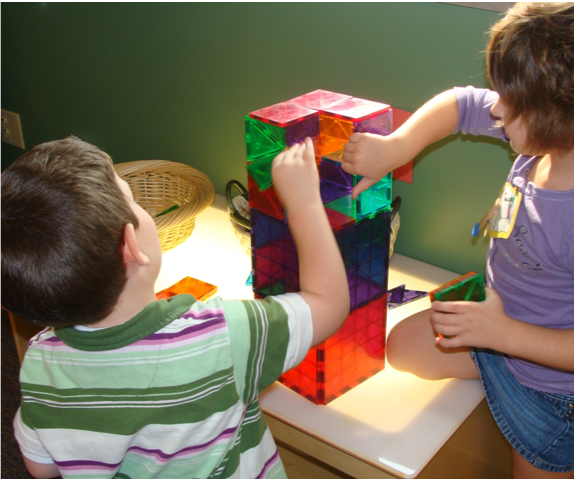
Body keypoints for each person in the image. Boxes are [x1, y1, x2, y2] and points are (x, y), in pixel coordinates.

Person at [341, 3, 574, 478]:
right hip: (500, 324)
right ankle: (492, 372)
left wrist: (498, 333)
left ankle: (502, 381)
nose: (496, 106)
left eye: (511, 102)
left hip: (553, 393)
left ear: (563, 119)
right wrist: (398, 147)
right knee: (399, 348)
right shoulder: (552, 135)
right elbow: (462, 103)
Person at [0, 136, 349, 479]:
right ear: (131, 245)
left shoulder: (40, 360)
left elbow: (41, 467)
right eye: (135, 201)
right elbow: (329, 304)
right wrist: (304, 202)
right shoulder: (223, 336)